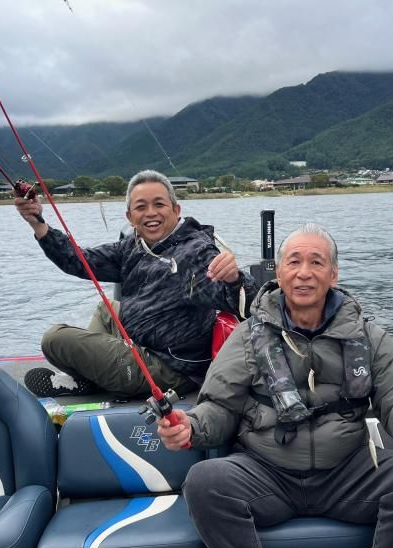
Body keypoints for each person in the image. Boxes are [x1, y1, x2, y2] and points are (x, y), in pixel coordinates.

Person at [158, 223, 393, 548]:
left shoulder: (368, 335)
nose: (304, 272)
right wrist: (191, 427)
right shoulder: (247, 337)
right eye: (294, 261)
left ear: (334, 273)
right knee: (204, 482)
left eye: (317, 262)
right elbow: (217, 407)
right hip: (266, 475)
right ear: (279, 272)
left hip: (349, 475)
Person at [14, 169, 258, 398]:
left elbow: (247, 304)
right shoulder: (134, 246)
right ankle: (91, 378)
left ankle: (88, 379)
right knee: (106, 309)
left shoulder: (195, 253)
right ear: (130, 217)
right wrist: (38, 224)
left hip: (169, 369)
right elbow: (79, 261)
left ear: (176, 210)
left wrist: (235, 279)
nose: (150, 213)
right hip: (138, 343)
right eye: (141, 207)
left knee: (54, 338)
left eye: (159, 204)